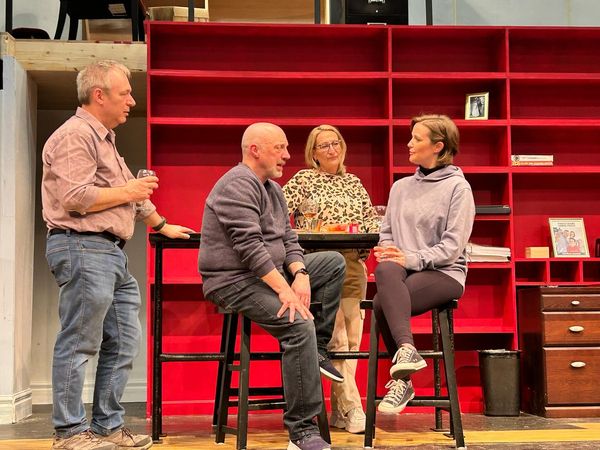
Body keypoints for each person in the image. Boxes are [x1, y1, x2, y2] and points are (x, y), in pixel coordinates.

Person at [42, 60, 194, 450]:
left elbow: (130, 195)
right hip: (82, 245)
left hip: (110, 253)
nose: (131, 101)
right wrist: (129, 192)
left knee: (124, 340)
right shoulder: (76, 135)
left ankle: (107, 427)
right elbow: (75, 197)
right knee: (79, 340)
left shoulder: (104, 139)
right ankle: (69, 433)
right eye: (125, 93)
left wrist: (162, 224)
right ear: (99, 95)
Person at [198, 122, 346, 450]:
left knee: (333, 262)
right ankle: (302, 431)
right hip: (233, 280)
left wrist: (301, 274)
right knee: (298, 325)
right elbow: (249, 248)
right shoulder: (238, 183)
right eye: (280, 148)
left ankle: (318, 350)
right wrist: (285, 289)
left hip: (267, 274)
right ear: (255, 150)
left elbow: (289, 240)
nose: (287, 155)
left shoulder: (273, 189)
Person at [372, 114, 475, 414]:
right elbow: (387, 232)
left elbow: (452, 248)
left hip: (444, 272)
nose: (409, 143)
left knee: (381, 303)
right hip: (402, 270)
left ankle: (403, 380)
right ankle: (407, 350)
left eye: (417, 139)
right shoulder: (400, 187)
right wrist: (389, 251)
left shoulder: (458, 188)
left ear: (438, 146)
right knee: (384, 269)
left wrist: (411, 258)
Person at [283, 125, 380, 434]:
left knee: (352, 339)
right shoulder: (304, 179)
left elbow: (371, 220)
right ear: (313, 152)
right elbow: (277, 212)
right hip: (321, 264)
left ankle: (340, 410)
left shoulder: (354, 182)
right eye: (323, 145)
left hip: (353, 263)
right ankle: (352, 407)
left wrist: (374, 235)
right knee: (336, 338)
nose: (331, 149)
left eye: (335, 142)